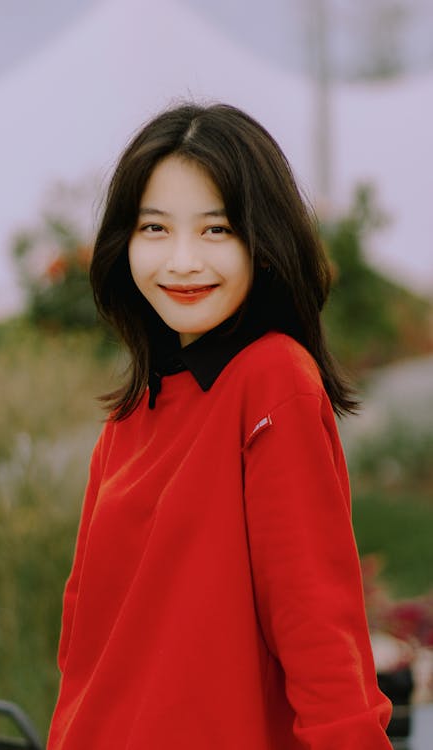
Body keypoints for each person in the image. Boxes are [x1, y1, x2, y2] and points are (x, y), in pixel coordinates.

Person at [47, 103, 393, 749]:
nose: (181, 261)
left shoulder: (272, 381)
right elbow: (84, 647)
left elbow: (317, 625)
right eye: (155, 228)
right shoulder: (131, 413)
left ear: (264, 243)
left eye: (216, 230)